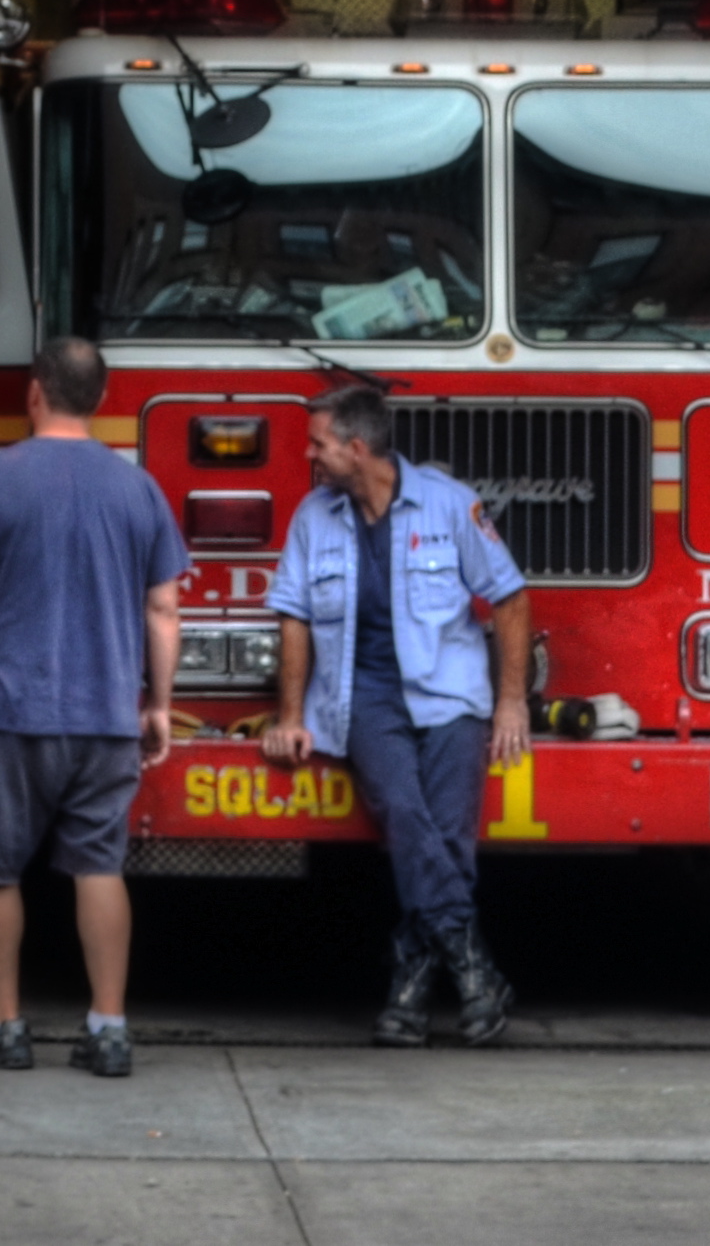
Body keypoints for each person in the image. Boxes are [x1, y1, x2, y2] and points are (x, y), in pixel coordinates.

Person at [0, 334, 187, 1078]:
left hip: (8, 706)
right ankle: (108, 1028)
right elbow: (163, 607)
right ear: (99, 400)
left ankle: (4, 1026)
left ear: (34, 391)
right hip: (104, 714)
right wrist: (156, 703)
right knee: (98, 866)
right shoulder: (138, 488)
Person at [260, 380, 534, 1046]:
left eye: (318, 443)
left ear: (357, 448)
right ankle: (475, 972)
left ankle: (409, 991)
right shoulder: (311, 516)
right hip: (363, 700)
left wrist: (509, 700)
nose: (308, 455)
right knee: (406, 814)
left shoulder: (451, 506)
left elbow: (509, 597)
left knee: (446, 832)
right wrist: (290, 714)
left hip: (451, 699)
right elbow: (292, 614)